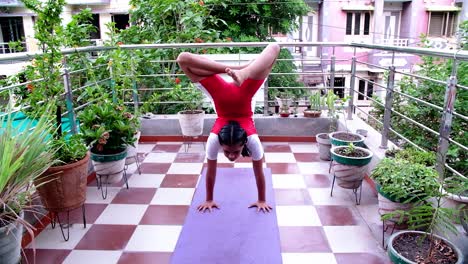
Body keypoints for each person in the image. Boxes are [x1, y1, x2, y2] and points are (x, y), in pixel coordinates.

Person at [177, 43, 280, 213]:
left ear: (243, 143)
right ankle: (240, 69)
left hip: (229, 90)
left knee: (275, 47)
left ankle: (244, 71)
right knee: (182, 58)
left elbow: (259, 173)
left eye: (233, 152)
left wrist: (262, 200)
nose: (231, 156)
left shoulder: (247, 140)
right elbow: (210, 173)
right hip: (241, 88)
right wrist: (208, 199)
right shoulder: (245, 139)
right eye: (228, 152)